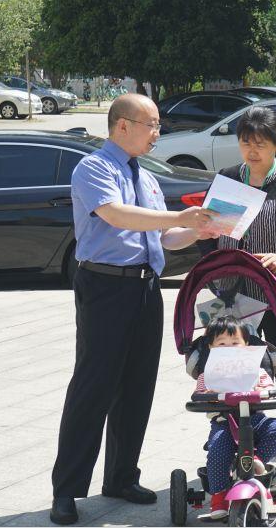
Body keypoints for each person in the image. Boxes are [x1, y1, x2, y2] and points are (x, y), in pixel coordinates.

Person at [49, 94, 214, 525]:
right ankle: (66, 491)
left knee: (137, 386)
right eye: (151, 124)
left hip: (145, 287)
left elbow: (164, 238)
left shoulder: (147, 177)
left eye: (158, 124)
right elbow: (118, 216)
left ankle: (122, 476)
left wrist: (198, 229)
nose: (157, 132)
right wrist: (179, 217)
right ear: (122, 125)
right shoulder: (94, 168)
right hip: (105, 286)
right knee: (93, 386)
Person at [198, 105, 276, 474]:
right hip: (233, 295)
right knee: (229, 368)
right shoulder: (229, 179)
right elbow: (208, 235)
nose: (253, 151)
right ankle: (232, 445)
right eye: (246, 142)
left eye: (261, 144)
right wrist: (213, 268)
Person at [194, 316, 276, 521]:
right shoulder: (208, 374)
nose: (229, 348)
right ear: (211, 348)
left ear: (246, 345)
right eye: (221, 344)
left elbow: (270, 389)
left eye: (235, 343)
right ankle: (219, 495)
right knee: (218, 448)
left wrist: (261, 389)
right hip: (225, 422)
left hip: (255, 419)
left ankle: (254, 460)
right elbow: (199, 394)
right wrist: (210, 394)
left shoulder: (256, 371)